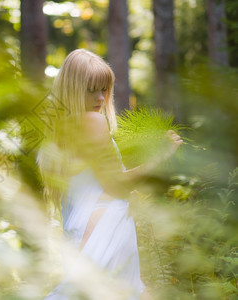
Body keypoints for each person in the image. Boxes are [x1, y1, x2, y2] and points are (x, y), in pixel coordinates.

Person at [37, 49, 182, 299]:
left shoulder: (57, 130)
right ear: (72, 89)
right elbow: (117, 185)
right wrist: (160, 157)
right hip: (104, 226)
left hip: (84, 228)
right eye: (91, 89)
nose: (101, 98)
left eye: (104, 89)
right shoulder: (92, 121)